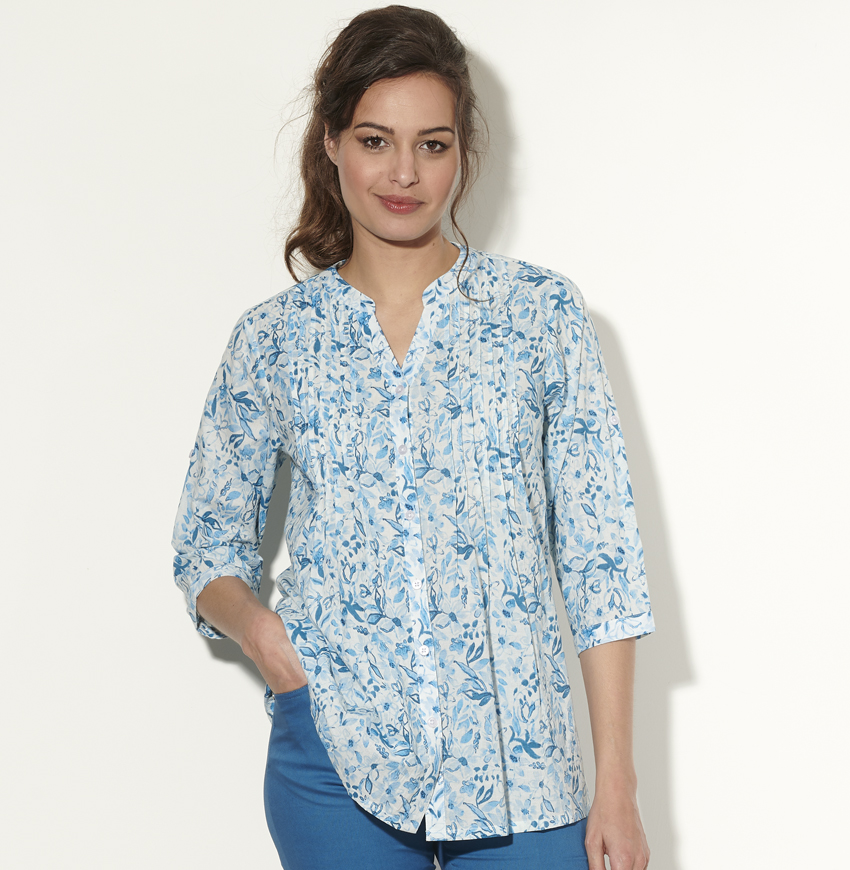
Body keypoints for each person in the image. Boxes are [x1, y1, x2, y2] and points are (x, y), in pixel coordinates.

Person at [172, 6, 655, 869]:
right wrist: (269, 643)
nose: (403, 173)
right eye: (375, 141)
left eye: (432, 144)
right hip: (333, 761)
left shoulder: (540, 315)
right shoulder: (274, 339)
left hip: (525, 769)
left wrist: (616, 780)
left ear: (462, 150)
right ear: (330, 142)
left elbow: (601, 559)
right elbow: (205, 544)